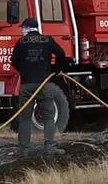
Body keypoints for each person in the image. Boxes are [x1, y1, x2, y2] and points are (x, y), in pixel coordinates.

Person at [10, 17, 68, 156]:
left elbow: (14, 62)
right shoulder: (48, 40)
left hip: (27, 85)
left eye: (23, 28)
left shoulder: (21, 42)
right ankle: (50, 147)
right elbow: (61, 54)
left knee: (24, 118)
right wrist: (56, 69)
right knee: (48, 117)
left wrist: (24, 70)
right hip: (44, 84)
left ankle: (24, 150)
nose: (22, 30)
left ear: (27, 28)